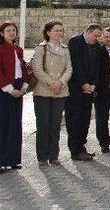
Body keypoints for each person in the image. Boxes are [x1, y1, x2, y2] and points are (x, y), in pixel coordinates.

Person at [0, 22, 32, 173]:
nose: (11, 32)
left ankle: (12, 159)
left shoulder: (18, 49)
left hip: (18, 90)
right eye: (8, 30)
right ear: (2, 33)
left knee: (14, 126)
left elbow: (23, 70)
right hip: (3, 91)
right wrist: (10, 90)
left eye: (13, 30)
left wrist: (24, 86)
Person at [32, 20, 72, 166]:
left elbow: (69, 69)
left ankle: (54, 155)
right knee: (43, 125)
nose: (59, 33)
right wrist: (52, 83)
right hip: (43, 92)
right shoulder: (40, 48)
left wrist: (60, 83)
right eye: (56, 30)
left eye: (61, 30)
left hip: (60, 92)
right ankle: (42, 156)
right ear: (48, 32)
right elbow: (37, 69)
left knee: (56, 125)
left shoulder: (65, 49)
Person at [66, 23, 103, 161]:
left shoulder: (97, 46)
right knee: (74, 119)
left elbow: (97, 68)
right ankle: (75, 151)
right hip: (76, 89)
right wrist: (83, 83)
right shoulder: (75, 42)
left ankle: (82, 148)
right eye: (96, 35)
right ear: (88, 31)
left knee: (85, 120)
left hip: (89, 90)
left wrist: (93, 84)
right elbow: (75, 65)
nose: (98, 38)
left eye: (99, 36)